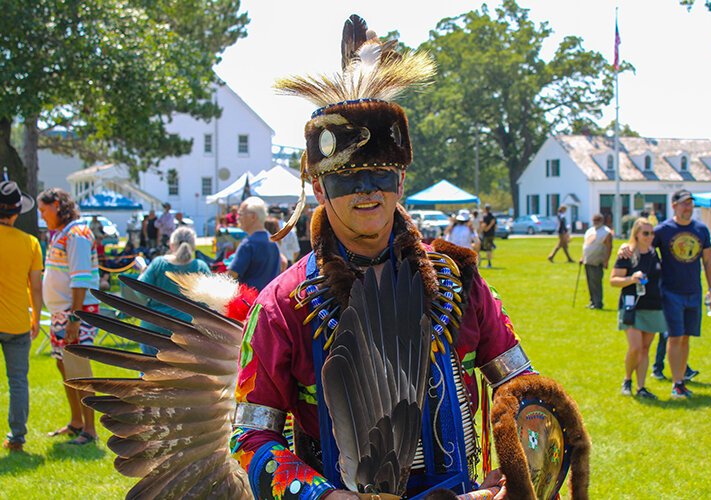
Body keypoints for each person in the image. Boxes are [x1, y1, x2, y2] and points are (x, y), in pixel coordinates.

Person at [228, 16, 589, 499]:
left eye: (382, 175)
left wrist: (517, 471)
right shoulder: (284, 305)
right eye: (347, 179)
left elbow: (524, 388)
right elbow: (249, 437)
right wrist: (324, 496)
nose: (367, 192)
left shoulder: (458, 281)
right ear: (317, 186)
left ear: (401, 180)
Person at [620, 189, 711, 398]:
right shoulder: (662, 230)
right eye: (683, 204)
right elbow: (641, 244)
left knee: (686, 337)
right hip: (669, 292)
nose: (687, 208)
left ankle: (680, 381)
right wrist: (624, 247)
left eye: (690, 204)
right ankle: (674, 383)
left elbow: (708, 260)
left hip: (694, 291)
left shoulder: (701, 229)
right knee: (674, 337)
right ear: (674, 206)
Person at [37, 188, 100, 445]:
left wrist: (75, 318)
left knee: (79, 368)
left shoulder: (78, 234)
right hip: (61, 313)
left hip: (77, 313)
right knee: (63, 364)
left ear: (57, 205)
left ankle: (91, 430)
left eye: (44, 210)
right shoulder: (62, 234)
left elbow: (81, 278)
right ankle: (76, 422)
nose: (43, 217)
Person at [0, 181, 43, 452]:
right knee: (18, 381)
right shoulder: (31, 243)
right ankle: (17, 438)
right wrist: (36, 319)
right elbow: (36, 287)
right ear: (17, 212)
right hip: (17, 321)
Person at [610, 218, 665, 399]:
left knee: (645, 349)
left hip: (653, 305)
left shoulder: (654, 253)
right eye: (645, 233)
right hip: (631, 306)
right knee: (635, 347)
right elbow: (613, 280)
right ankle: (627, 380)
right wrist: (631, 279)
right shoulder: (627, 253)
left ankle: (641, 387)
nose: (649, 237)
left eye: (651, 233)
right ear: (636, 234)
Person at [137, 227, 210, 355]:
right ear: (193, 246)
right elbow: (210, 300)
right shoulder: (200, 267)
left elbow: (140, 291)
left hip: (154, 327)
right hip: (188, 330)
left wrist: (143, 272)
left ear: (171, 245)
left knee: (148, 371)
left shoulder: (158, 264)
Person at [226, 196, 281, 291]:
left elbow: (230, 277)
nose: (237, 218)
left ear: (253, 217)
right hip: (268, 300)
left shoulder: (248, 244)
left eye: (240, 214)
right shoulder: (273, 242)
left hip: (250, 303)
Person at [581, 213, 613, 309]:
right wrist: (582, 257)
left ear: (601, 221)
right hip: (588, 260)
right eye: (594, 220)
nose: (595, 222)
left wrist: (606, 260)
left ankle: (598, 302)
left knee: (596, 282)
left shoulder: (606, 232)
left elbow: (609, 247)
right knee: (590, 282)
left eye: (597, 220)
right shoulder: (590, 231)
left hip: (597, 260)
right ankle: (592, 301)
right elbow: (585, 245)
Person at [480, 204, 496, 268]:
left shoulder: (486, 217)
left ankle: (489, 263)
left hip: (487, 235)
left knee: (488, 249)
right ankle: (489, 262)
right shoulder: (493, 216)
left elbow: (484, 226)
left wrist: (484, 230)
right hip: (492, 234)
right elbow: (495, 226)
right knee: (490, 248)